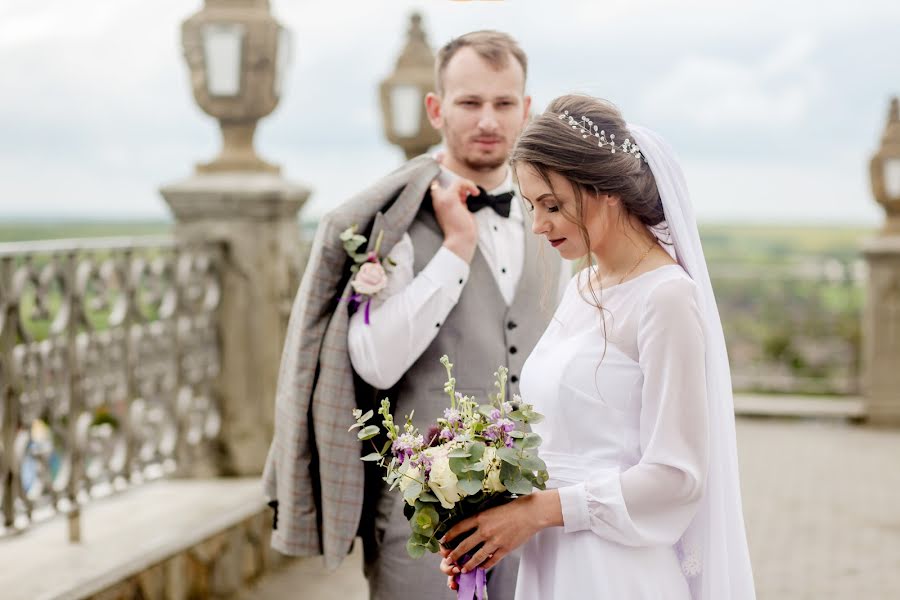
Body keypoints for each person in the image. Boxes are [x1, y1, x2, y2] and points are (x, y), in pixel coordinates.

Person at [262, 31, 565, 600]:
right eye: (469, 102)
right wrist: (454, 250)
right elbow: (373, 363)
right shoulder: (393, 220)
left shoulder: (551, 215)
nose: (488, 120)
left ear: (526, 110)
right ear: (436, 108)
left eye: (503, 104)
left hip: (532, 512)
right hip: (421, 522)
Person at [437, 94, 757, 599]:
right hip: (551, 559)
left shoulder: (667, 298)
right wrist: (478, 516)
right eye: (531, 207)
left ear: (605, 190)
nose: (539, 225)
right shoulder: (581, 286)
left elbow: (677, 476)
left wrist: (538, 512)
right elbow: (552, 437)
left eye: (553, 205)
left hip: (616, 571)